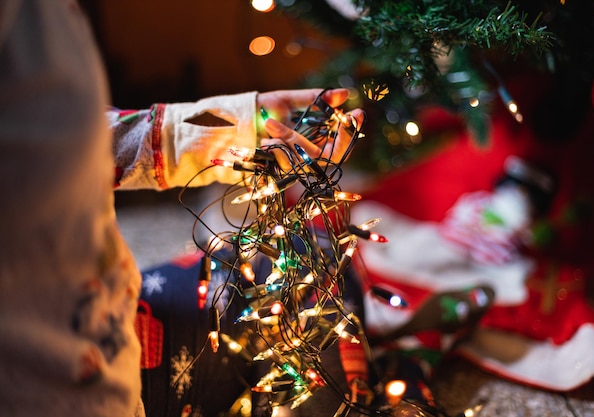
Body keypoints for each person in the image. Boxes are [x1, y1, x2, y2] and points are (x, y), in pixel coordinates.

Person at [0, 1, 363, 416]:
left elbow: (66, 136)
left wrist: (231, 132)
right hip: (90, 392)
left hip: (117, 310)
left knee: (314, 271)